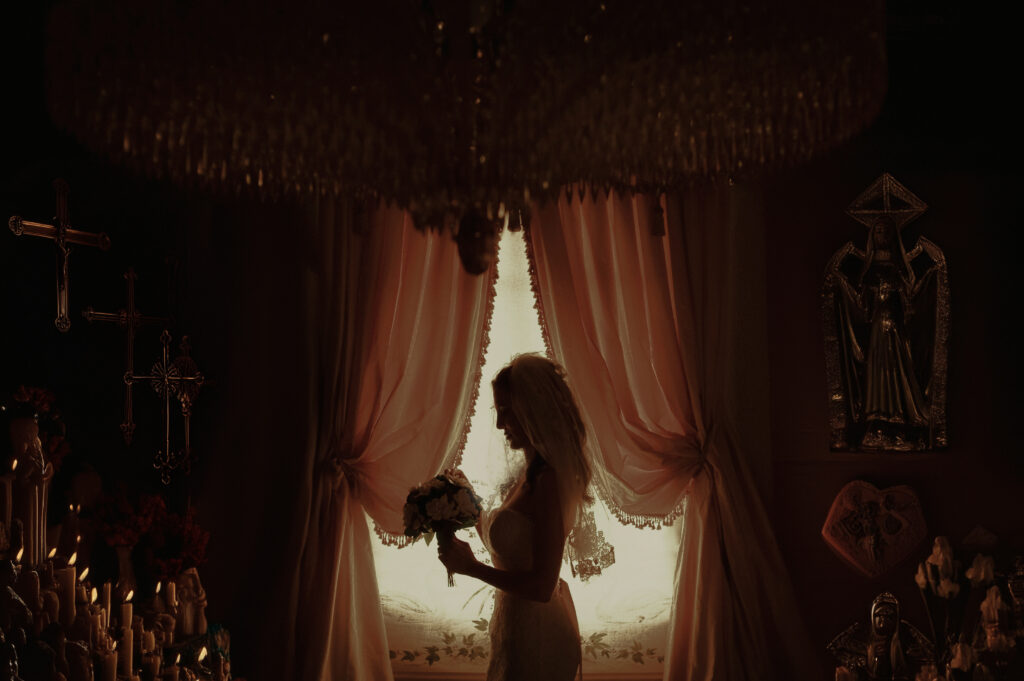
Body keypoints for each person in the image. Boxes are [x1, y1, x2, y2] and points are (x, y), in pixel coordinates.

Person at [437, 354, 586, 681]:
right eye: (498, 411)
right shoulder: (527, 474)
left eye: (506, 411)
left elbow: (542, 587)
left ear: (533, 410)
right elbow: (508, 545)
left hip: (540, 634)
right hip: (514, 627)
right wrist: (466, 499)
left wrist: (472, 568)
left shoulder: (549, 481)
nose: (499, 424)